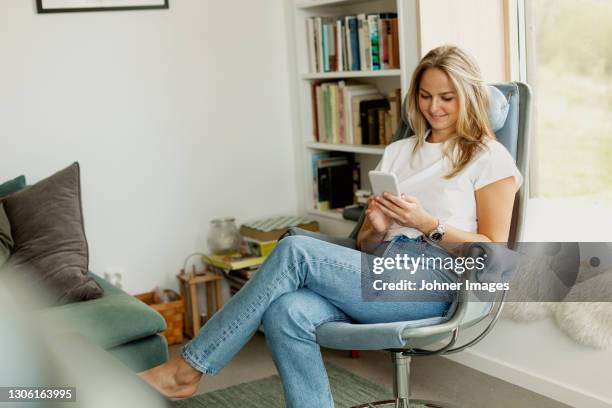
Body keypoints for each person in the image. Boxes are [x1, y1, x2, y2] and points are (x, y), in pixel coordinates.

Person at [139, 45, 522, 407]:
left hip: (436, 281)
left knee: (293, 249)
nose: (433, 107)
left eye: (446, 97)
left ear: (468, 96)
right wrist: (374, 228)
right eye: (424, 96)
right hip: (383, 266)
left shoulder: (489, 158)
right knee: (286, 311)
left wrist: (427, 224)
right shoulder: (399, 152)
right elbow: (368, 248)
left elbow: (494, 252)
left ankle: (187, 370)